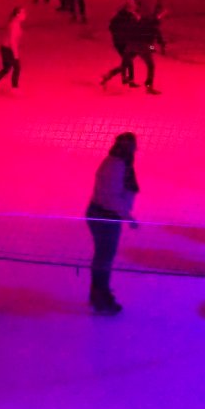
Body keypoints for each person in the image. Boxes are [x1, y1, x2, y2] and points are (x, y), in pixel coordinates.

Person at [85, 132, 139, 315]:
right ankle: (101, 296)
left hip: (104, 214)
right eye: (132, 147)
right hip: (105, 216)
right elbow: (111, 198)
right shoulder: (116, 166)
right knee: (104, 258)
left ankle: (99, 293)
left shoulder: (118, 163)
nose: (134, 150)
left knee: (103, 257)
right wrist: (127, 216)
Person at [0, 6, 25, 90]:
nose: (24, 15)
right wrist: (16, 55)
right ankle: (15, 88)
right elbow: (12, 41)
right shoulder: (14, 25)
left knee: (6, 69)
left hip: (5, 49)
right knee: (17, 68)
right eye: (23, 13)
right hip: (8, 49)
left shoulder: (14, 23)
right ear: (17, 14)